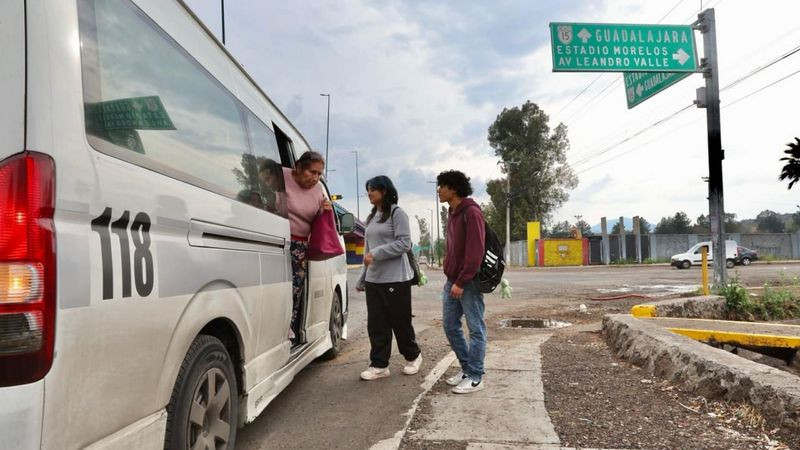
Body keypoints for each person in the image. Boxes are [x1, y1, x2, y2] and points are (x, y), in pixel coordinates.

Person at [355, 176, 422, 380]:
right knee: (377, 324)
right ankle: (379, 365)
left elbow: (404, 243)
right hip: (375, 280)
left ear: (384, 191)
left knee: (400, 321)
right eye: (368, 189)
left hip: (396, 279)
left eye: (373, 189)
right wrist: (362, 279)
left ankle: (413, 356)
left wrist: (377, 253)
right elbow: (367, 251)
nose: (369, 193)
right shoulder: (372, 217)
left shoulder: (396, 213)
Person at [437, 170, 487, 394]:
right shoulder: (453, 212)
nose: (439, 190)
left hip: (469, 282)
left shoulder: (471, 213)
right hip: (453, 280)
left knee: (476, 329)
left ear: (453, 188)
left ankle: (476, 376)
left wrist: (461, 280)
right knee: (450, 325)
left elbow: (475, 252)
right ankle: (467, 368)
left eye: (442, 186)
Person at [282, 151, 331, 342]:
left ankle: (288, 327)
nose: (316, 178)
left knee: (295, 288)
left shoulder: (319, 190)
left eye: (319, 174)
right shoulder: (280, 175)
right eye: (312, 172)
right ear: (299, 167)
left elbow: (320, 222)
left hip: (299, 246)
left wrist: (323, 212)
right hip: (275, 239)